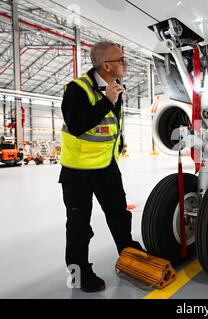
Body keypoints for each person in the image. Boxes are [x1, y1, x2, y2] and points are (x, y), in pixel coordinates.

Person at [59, 41, 143, 293]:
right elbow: (76, 124)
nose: (125, 63)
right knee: (79, 225)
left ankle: (128, 252)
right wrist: (107, 100)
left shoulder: (115, 88)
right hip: (78, 170)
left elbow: (110, 126)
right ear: (107, 65)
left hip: (106, 165)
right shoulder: (77, 89)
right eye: (121, 60)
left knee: (119, 213)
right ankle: (78, 273)